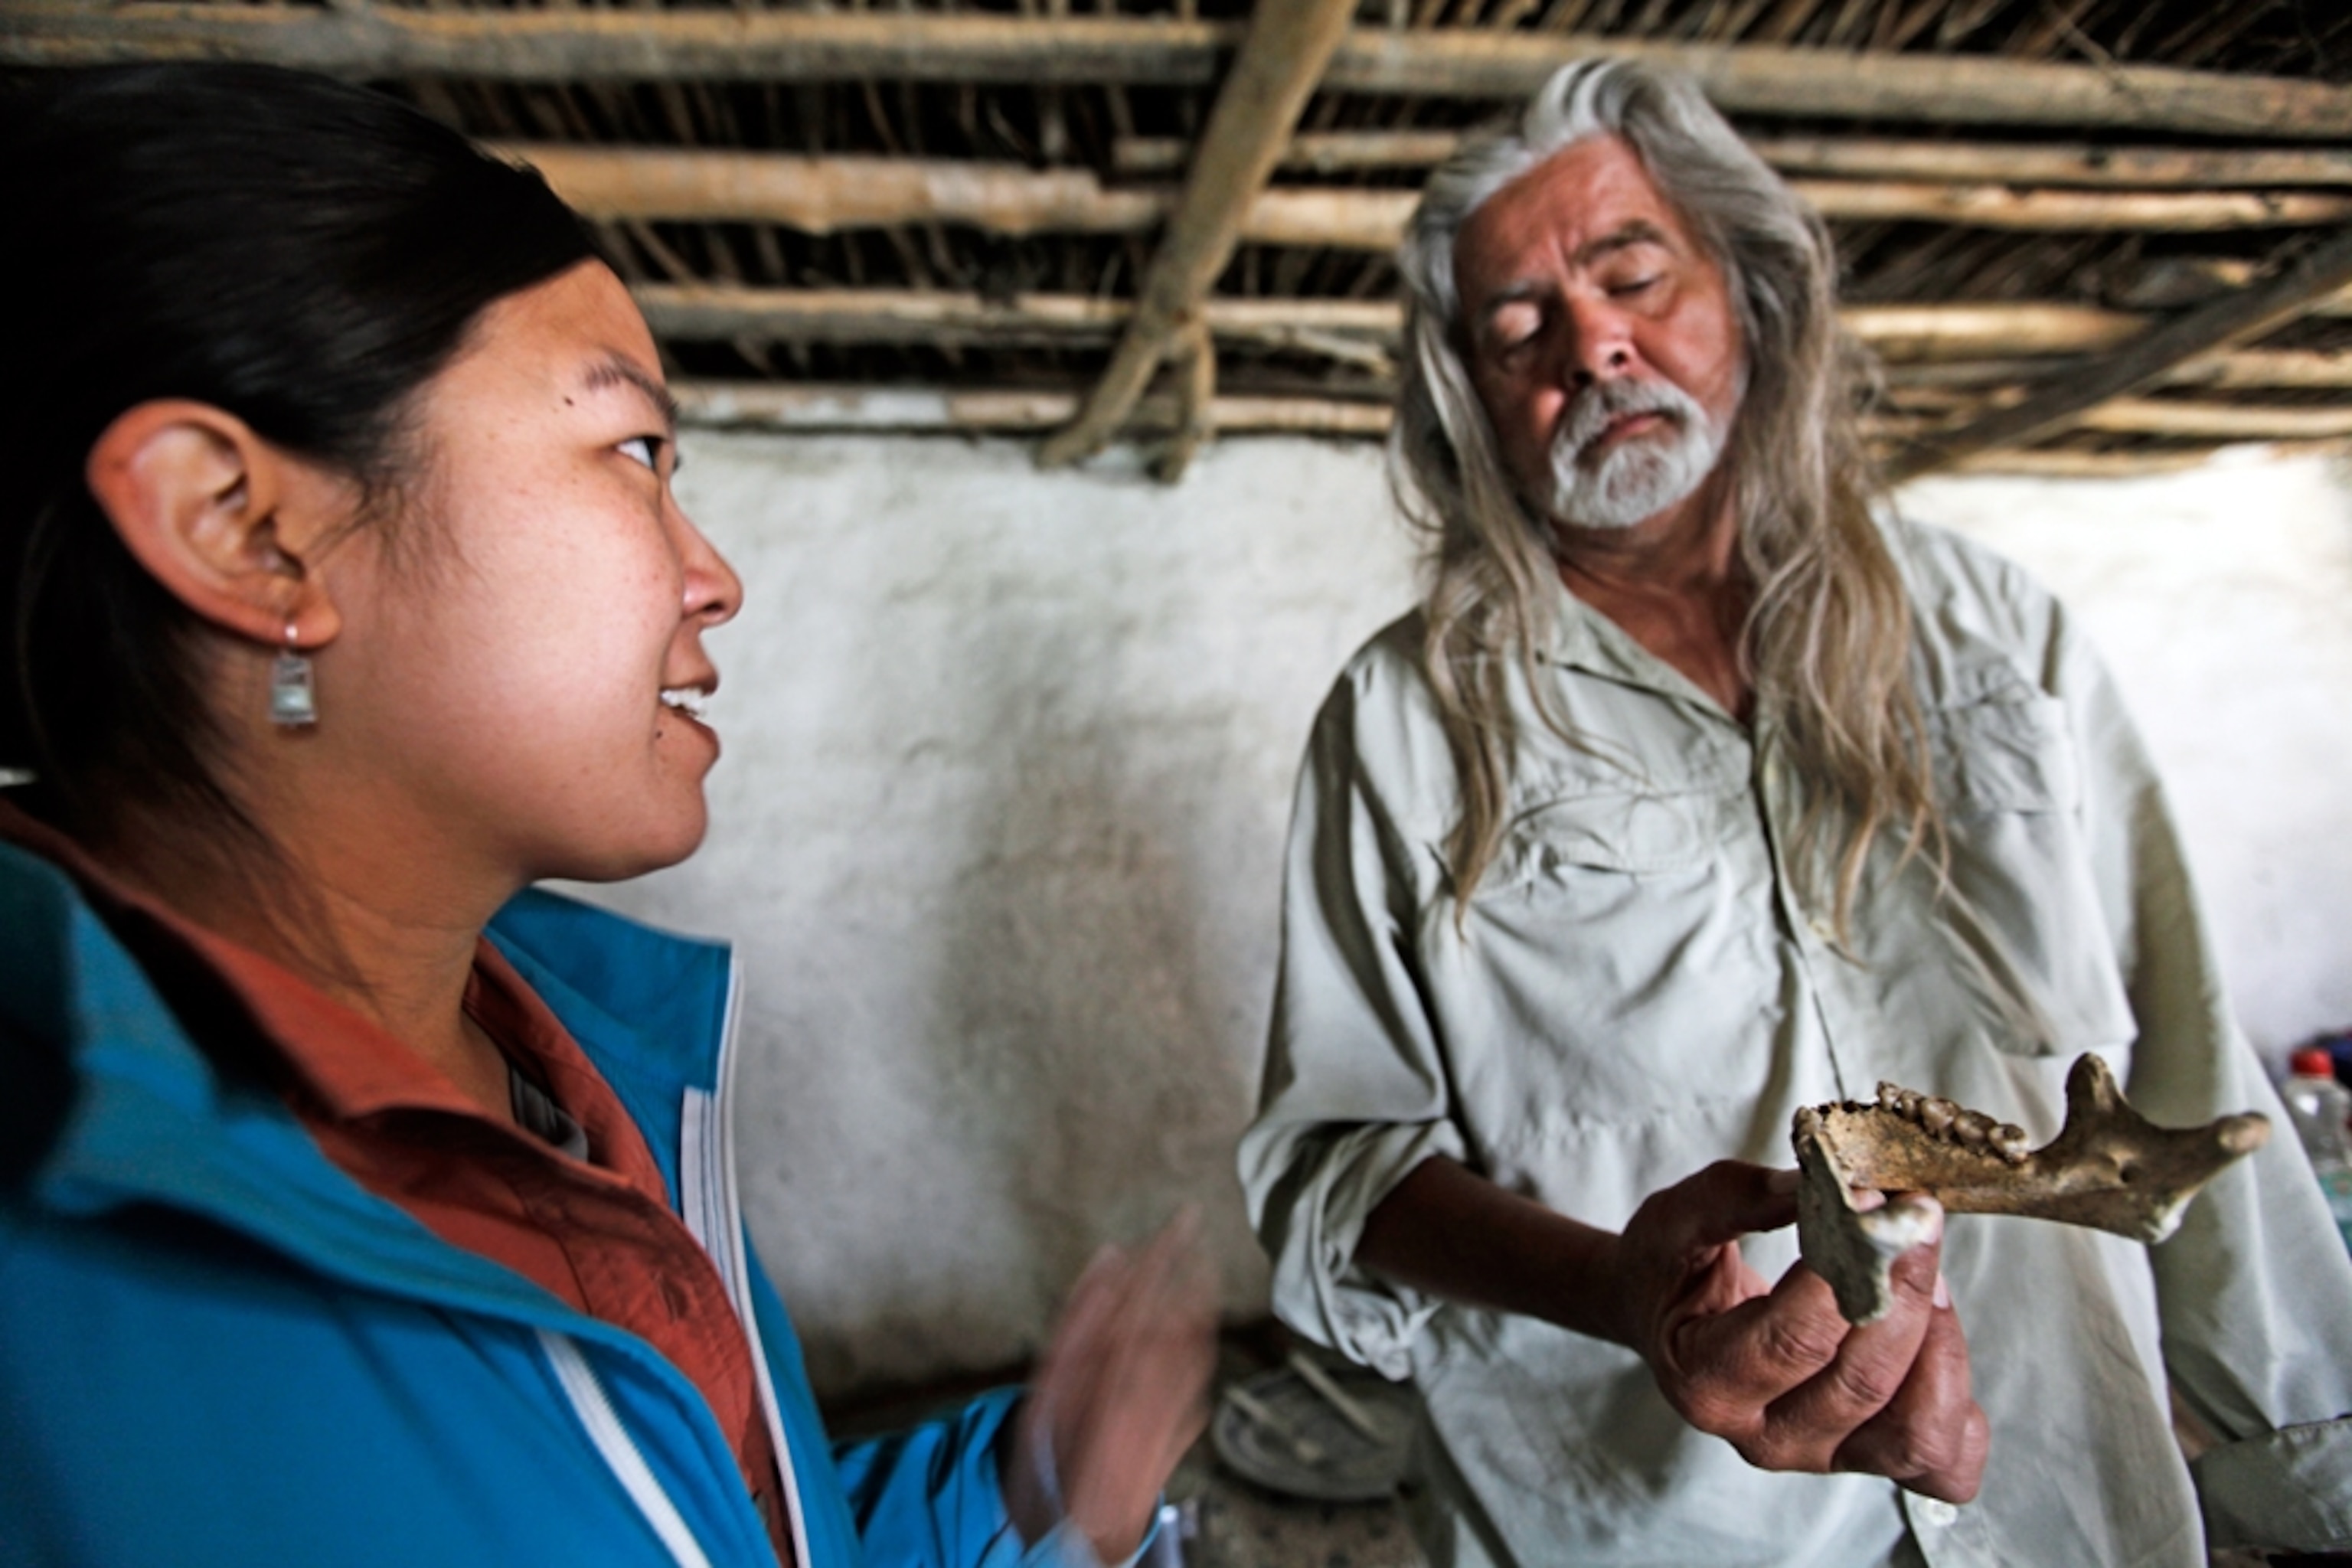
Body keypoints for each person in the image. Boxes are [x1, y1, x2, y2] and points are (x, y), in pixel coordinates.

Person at [0, 64, 1213, 1568]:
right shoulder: (46, 1289)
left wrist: (1015, 1503)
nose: (713, 575)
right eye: (632, 452)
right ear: (252, 537)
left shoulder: (595, 1073)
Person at [1237, 56, 2352, 1568]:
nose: (1596, 347)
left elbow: (2186, 1052)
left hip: (2055, 1493)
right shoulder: (1406, 725)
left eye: (1636, 276)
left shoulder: (1995, 638)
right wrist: (1626, 1291)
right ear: (1476, 414)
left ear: (1751, 298)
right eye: (1521, 335)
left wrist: (2315, 1464)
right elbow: (1331, 1169)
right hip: (1646, 1525)